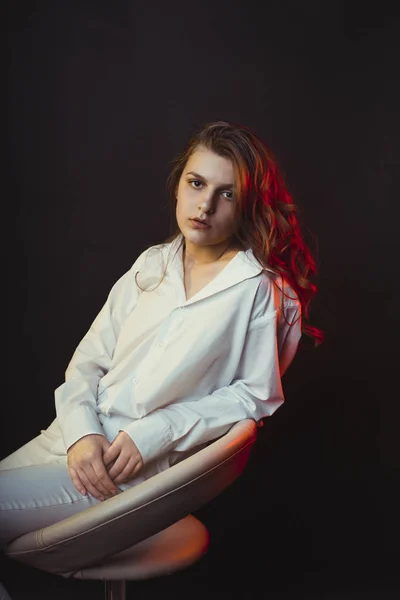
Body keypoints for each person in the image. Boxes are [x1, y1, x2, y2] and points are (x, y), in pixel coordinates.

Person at [0, 120, 323, 550]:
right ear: (178, 186)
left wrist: (153, 433)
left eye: (226, 194)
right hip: (72, 437)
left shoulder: (258, 290)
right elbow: (88, 360)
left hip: (131, 470)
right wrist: (81, 432)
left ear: (246, 205)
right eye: (196, 183)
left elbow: (255, 395)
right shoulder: (151, 264)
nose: (204, 205)